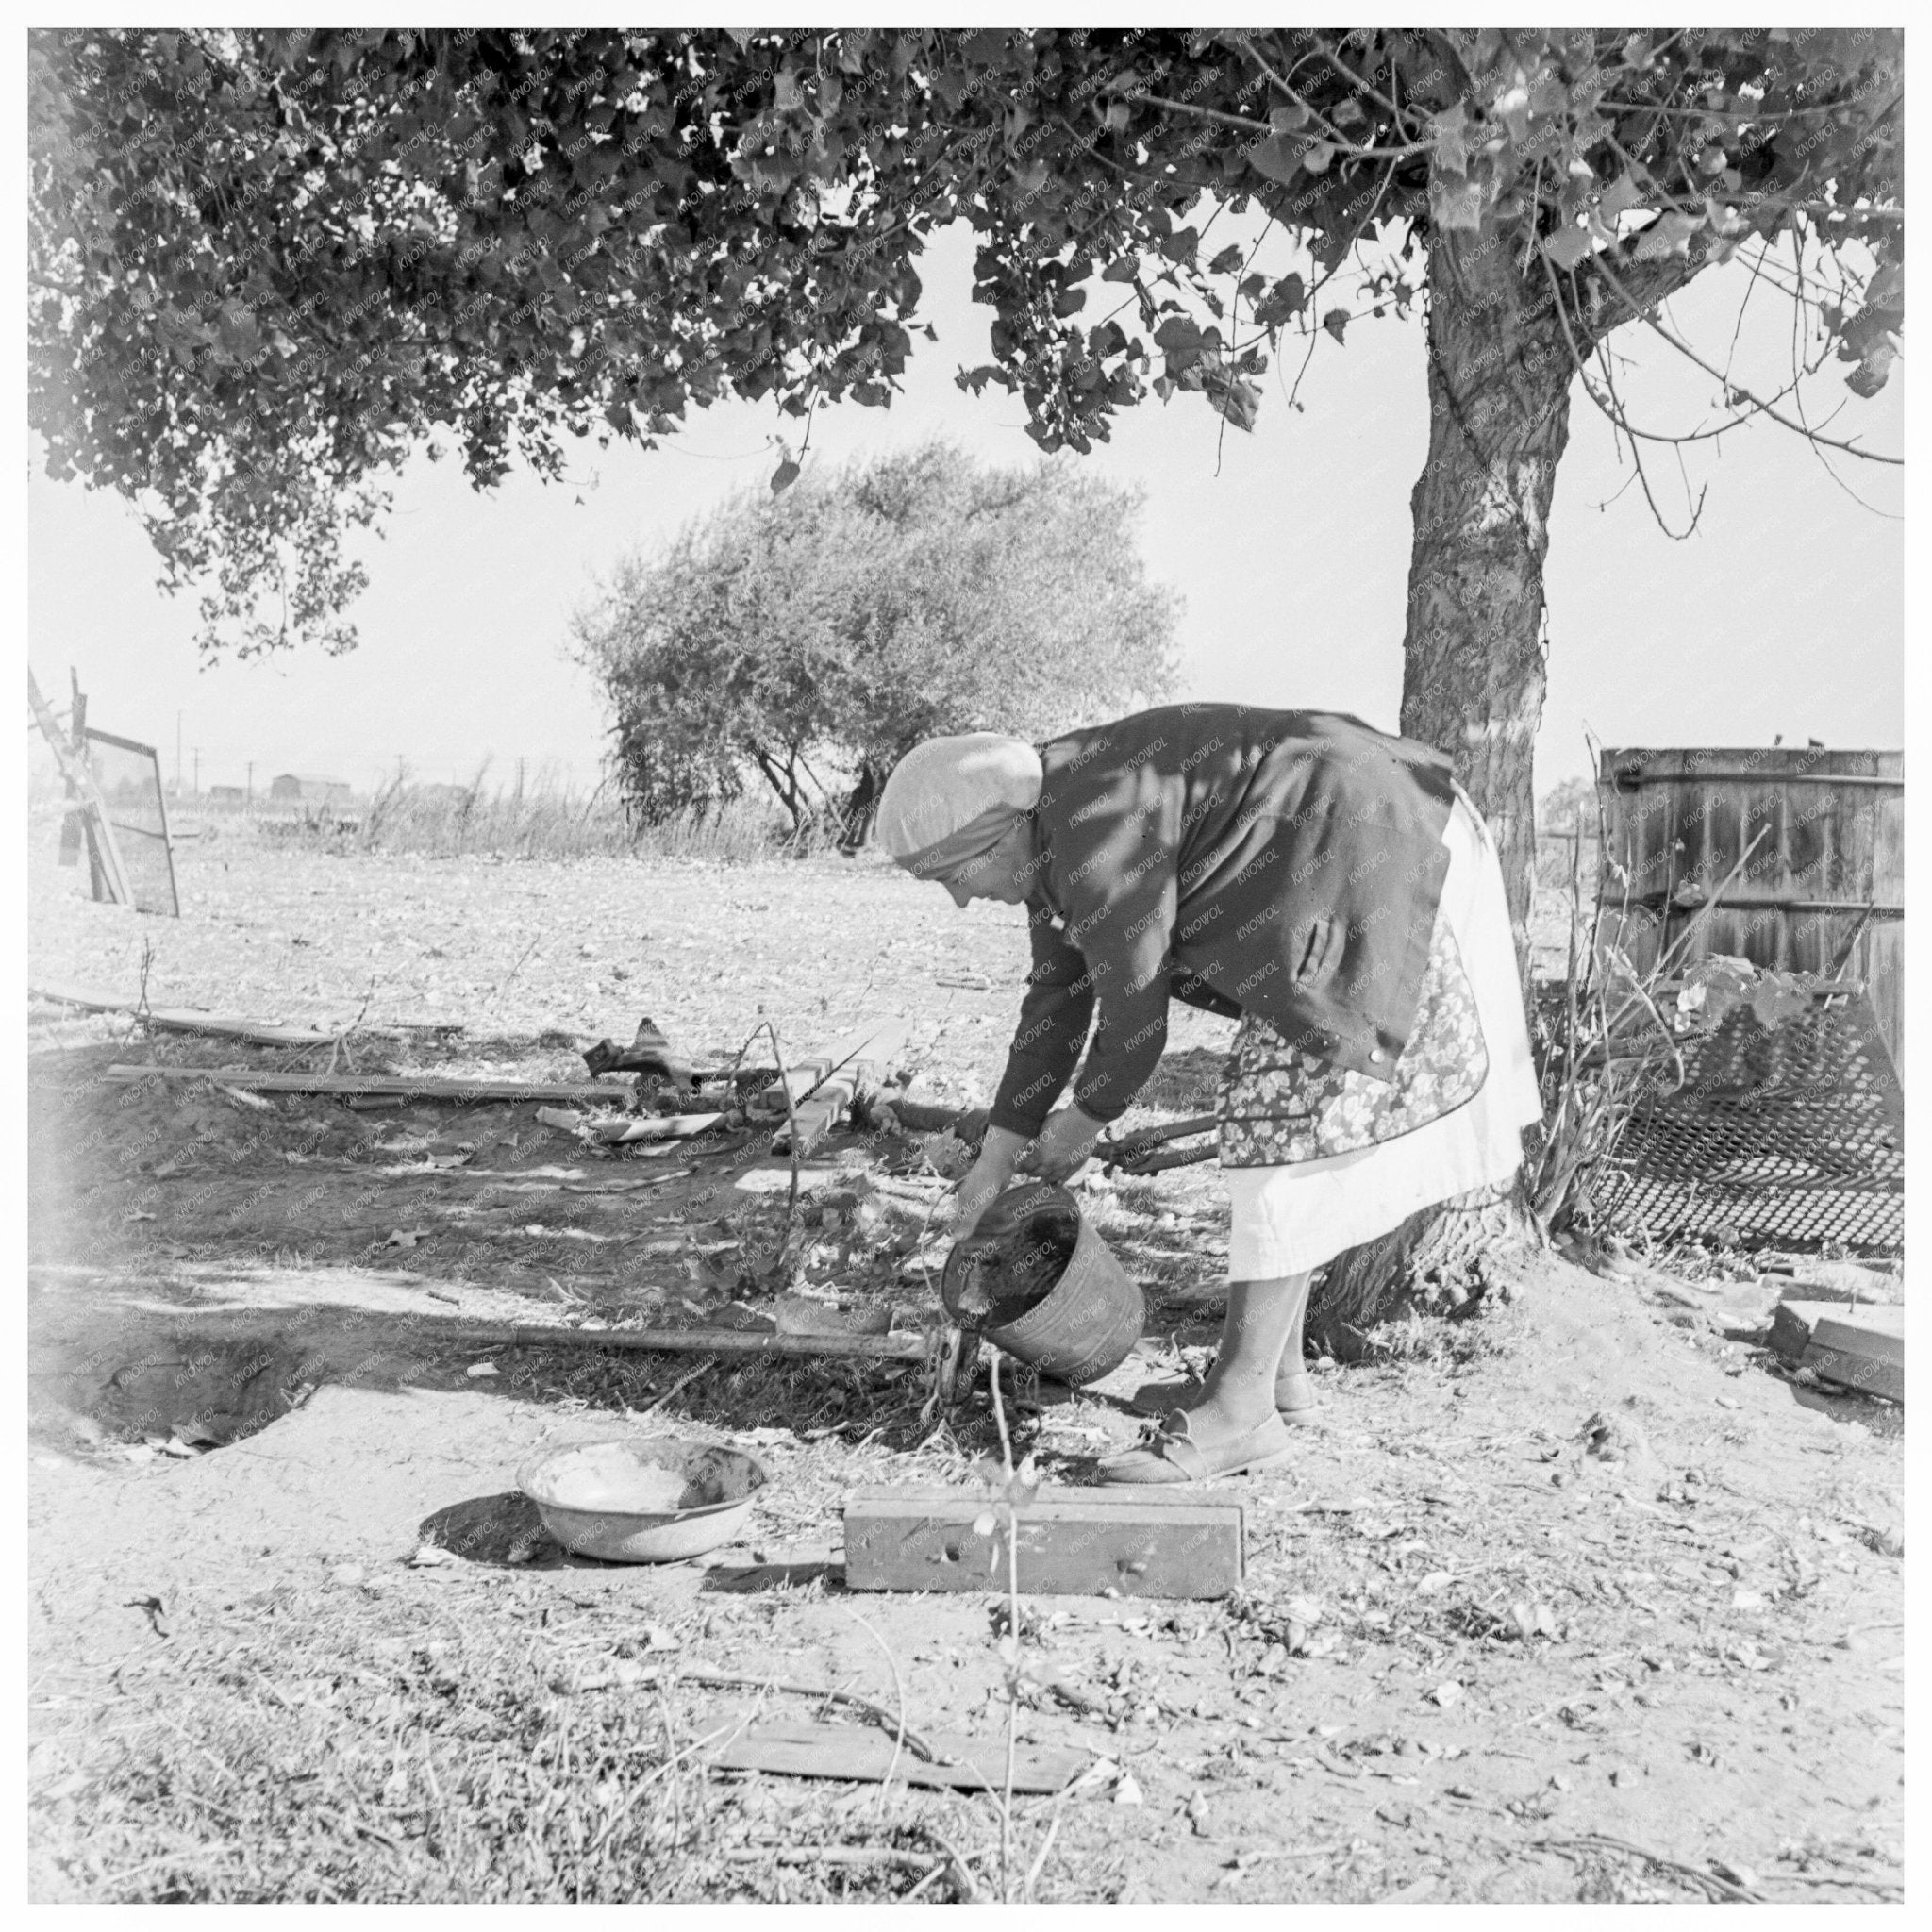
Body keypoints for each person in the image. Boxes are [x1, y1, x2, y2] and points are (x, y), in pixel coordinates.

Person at [872, 706, 1543, 1485]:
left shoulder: (1094, 826)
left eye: (955, 877)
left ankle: (1242, 1410)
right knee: (1281, 1119)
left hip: (1379, 848)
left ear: (1001, 836)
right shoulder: (1051, 830)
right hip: (1348, 840)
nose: (958, 900)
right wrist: (996, 1160)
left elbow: (1132, 1017)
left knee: (1278, 1119)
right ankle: (1275, 1374)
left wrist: (1083, 1122)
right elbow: (1057, 998)